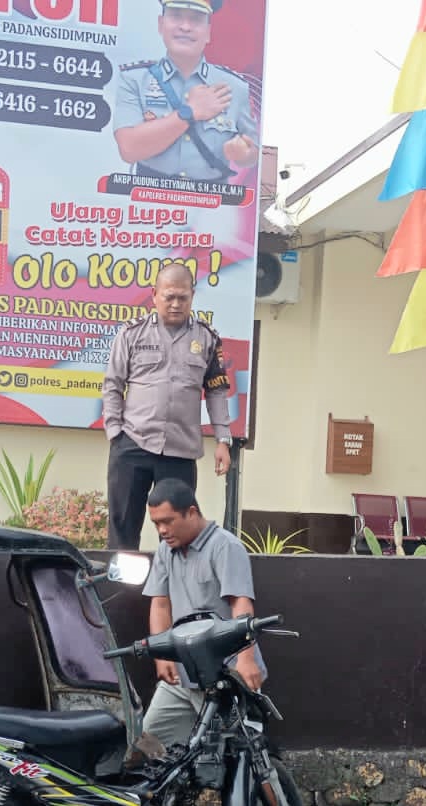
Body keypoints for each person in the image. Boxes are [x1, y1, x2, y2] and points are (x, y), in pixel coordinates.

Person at [102, 263, 233, 550]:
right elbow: (112, 384)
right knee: (123, 527)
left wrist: (223, 440)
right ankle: (121, 591)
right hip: (132, 445)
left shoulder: (207, 339)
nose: (176, 304)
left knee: (181, 532)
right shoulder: (131, 334)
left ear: (192, 296)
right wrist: (115, 432)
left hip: (180, 451)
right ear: (154, 295)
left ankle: (175, 592)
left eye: (182, 297)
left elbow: (217, 391)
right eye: (169, 296)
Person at [137, 478, 265, 748]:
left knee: (242, 753)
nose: (161, 530)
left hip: (226, 676)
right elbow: (160, 603)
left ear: (192, 513)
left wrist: (246, 660)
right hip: (181, 677)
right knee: (149, 743)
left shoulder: (225, 546)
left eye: (168, 521)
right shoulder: (165, 551)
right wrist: (162, 656)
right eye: (156, 524)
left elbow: (240, 603)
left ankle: (275, 791)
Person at [111, 0, 260, 183]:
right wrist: (189, 112)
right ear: (161, 24)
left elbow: (254, 152)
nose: (185, 27)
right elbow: (129, 149)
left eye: (196, 19)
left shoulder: (235, 88)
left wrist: (243, 154)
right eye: (176, 16)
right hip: (147, 202)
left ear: (208, 32)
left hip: (210, 205)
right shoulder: (134, 79)